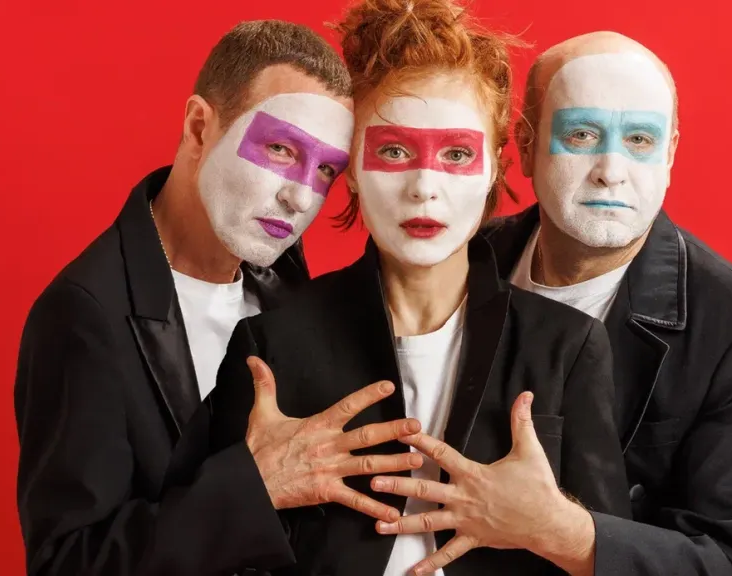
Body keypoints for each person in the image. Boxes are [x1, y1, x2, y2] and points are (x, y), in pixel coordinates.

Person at [203, 1, 632, 575]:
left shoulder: (567, 347)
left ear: (494, 169)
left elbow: (611, 557)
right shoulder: (271, 344)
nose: (424, 186)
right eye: (394, 150)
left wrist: (555, 527)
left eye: (456, 154)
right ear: (353, 168)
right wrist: (250, 488)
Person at [14, 20, 424, 576]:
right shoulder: (84, 314)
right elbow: (67, 564)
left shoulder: (287, 281)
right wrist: (255, 487)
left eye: (326, 169)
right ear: (199, 127)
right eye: (280, 148)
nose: (302, 196)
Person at [475, 31, 732, 575]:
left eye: (640, 140)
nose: (611, 169)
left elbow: (727, 564)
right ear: (526, 146)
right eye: (582, 134)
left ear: (670, 153)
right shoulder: (466, 261)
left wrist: (559, 532)